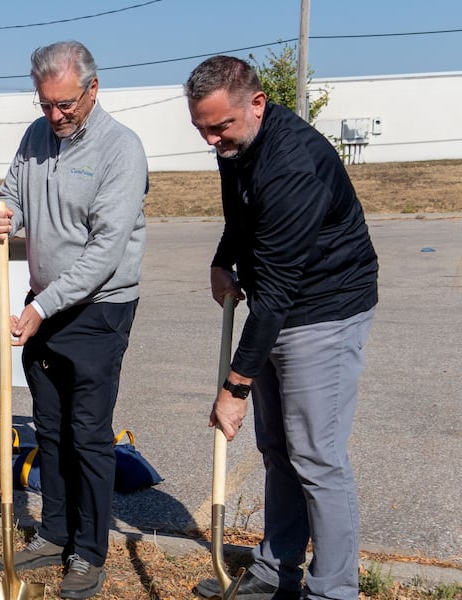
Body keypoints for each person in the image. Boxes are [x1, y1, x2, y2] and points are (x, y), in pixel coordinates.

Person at [187, 56, 379, 600]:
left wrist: (234, 387)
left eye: (219, 126)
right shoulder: (236, 142)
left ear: (257, 103)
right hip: (281, 302)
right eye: (201, 127)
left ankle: (333, 589)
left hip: (326, 309)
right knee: (276, 447)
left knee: (317, 456)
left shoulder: (292, 164)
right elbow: (242, 215)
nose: (211, 139)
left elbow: (273, 294)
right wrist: (224, 256)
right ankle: (277, 571)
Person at [0, 40, 148, 599]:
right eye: (45, 103)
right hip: (44, 304)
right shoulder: (35, 136)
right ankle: (54, 532)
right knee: (48, 428)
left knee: (87, 434)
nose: (54, 116)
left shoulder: (121, 150)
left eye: (65, 105)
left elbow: (104, 252)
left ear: (92, 90)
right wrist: (3, 214)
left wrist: (39, 308)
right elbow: (12, 193)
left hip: (98, 310)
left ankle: (88, 550)